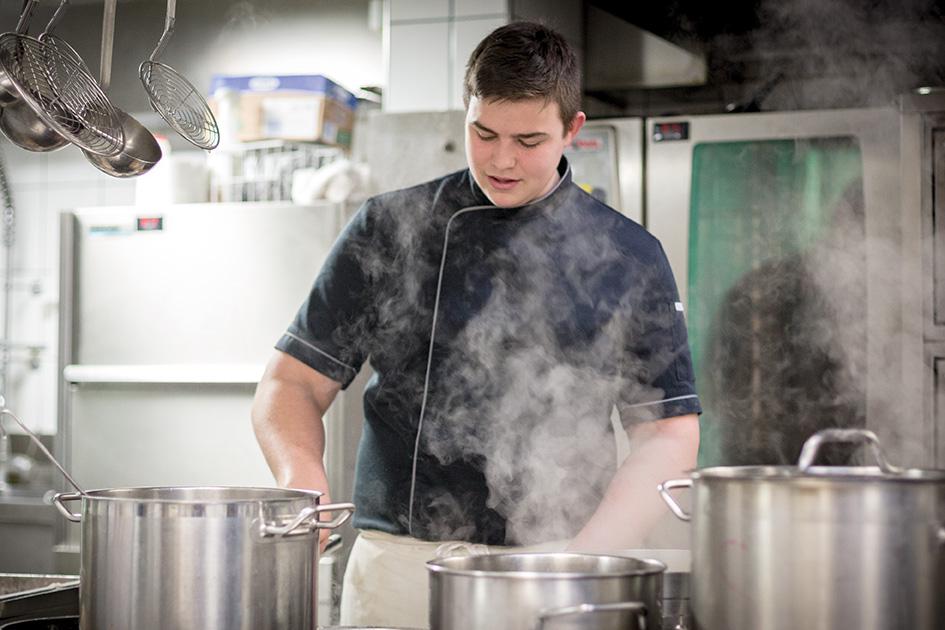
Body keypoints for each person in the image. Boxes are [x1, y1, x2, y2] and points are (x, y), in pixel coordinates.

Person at [252, 21, 700, 627]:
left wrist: (583, 559)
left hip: (556, 564)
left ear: (572, 130)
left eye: (529, 139)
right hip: (400, 568)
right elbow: (292, 384)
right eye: (483, 132)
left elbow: (668, 435)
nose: (502, 159)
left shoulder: (629, 255)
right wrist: (302, 479)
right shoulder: (389, 226)